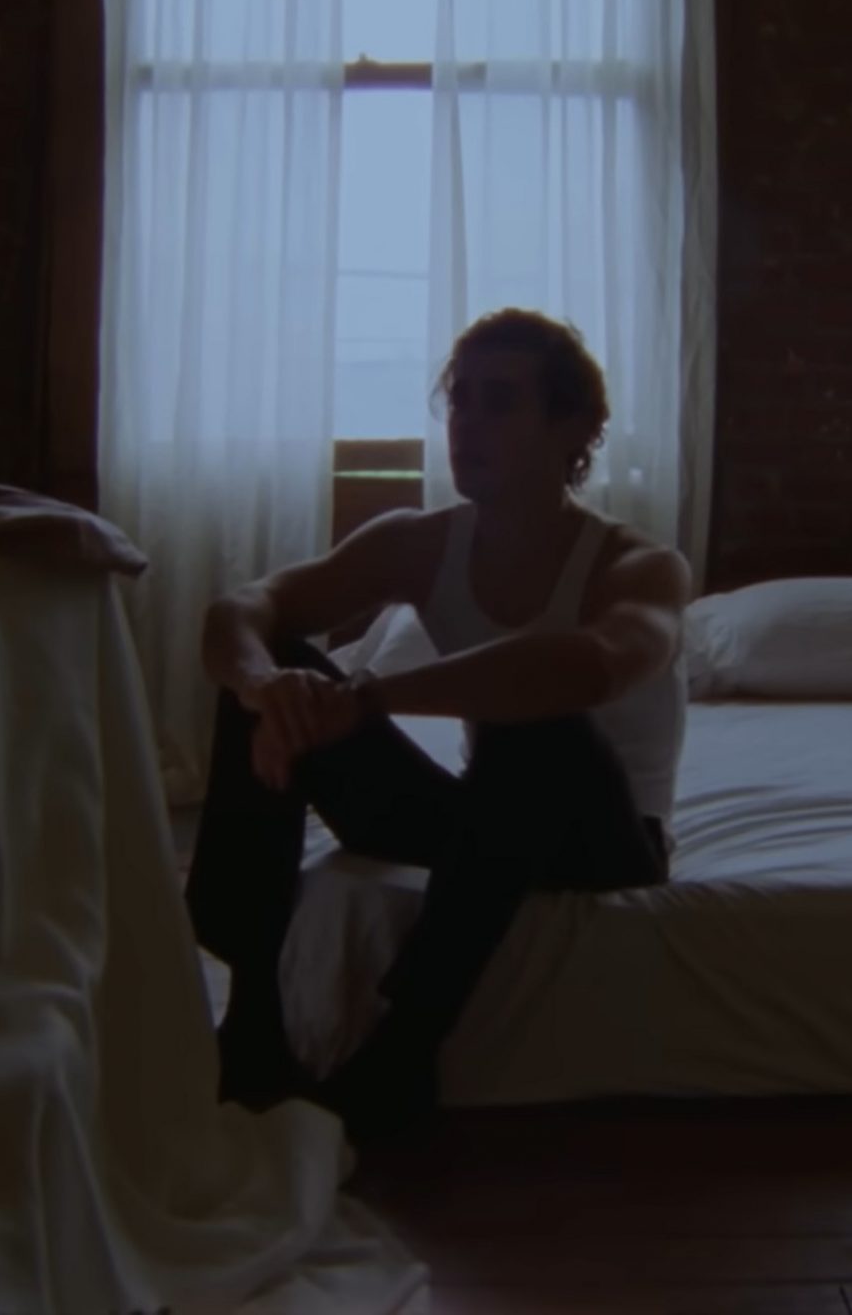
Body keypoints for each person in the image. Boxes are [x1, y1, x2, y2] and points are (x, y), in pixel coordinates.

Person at [186, 308, 690, 1141]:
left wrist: (371, 696)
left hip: (606, 838)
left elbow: (591, 667)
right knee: (281, 676)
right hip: (490, 821)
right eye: (460, 400)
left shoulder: (637, 565)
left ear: (573, 427)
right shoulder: (419, 544)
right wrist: (268, 688)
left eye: (500, 401)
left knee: (536, 724)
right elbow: (243, 610)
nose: (468, 423)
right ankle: (252, 1018)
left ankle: (403, 1049)